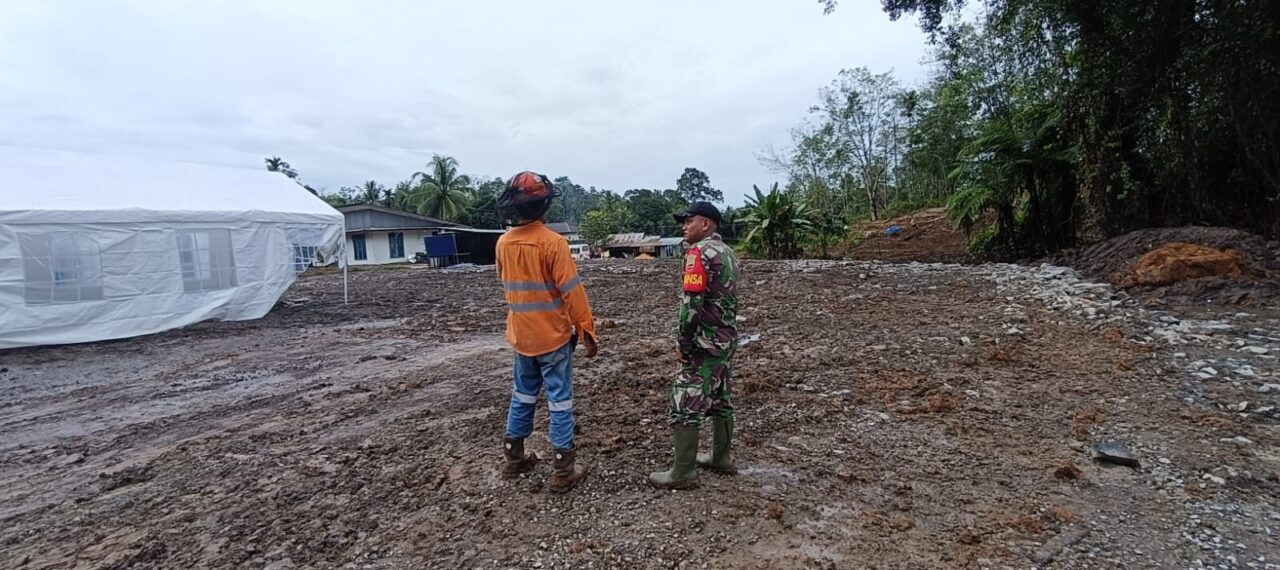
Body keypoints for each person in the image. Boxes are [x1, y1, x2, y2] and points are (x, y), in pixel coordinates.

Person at [494, 171, 598, 492]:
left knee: (522, 395)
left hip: (521, 337)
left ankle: (514, 458)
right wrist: (586, 331)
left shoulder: (503, 243)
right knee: (560, 399)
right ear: (544, 206)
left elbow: (506, 283)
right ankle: (563, 469)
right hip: (553, 338)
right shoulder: (554, 244)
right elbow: (572, 292)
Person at [649, 201, 740, 490]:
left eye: (689, 220)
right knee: (721, 398)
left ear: (706, 224)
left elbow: (691, 304)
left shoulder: (697, 253)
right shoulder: (728, 253)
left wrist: (684, 343)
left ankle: (683, 471)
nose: (683, 226)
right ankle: (720, 457)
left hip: (703, 342)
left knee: (684, 401)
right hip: (726, 340)